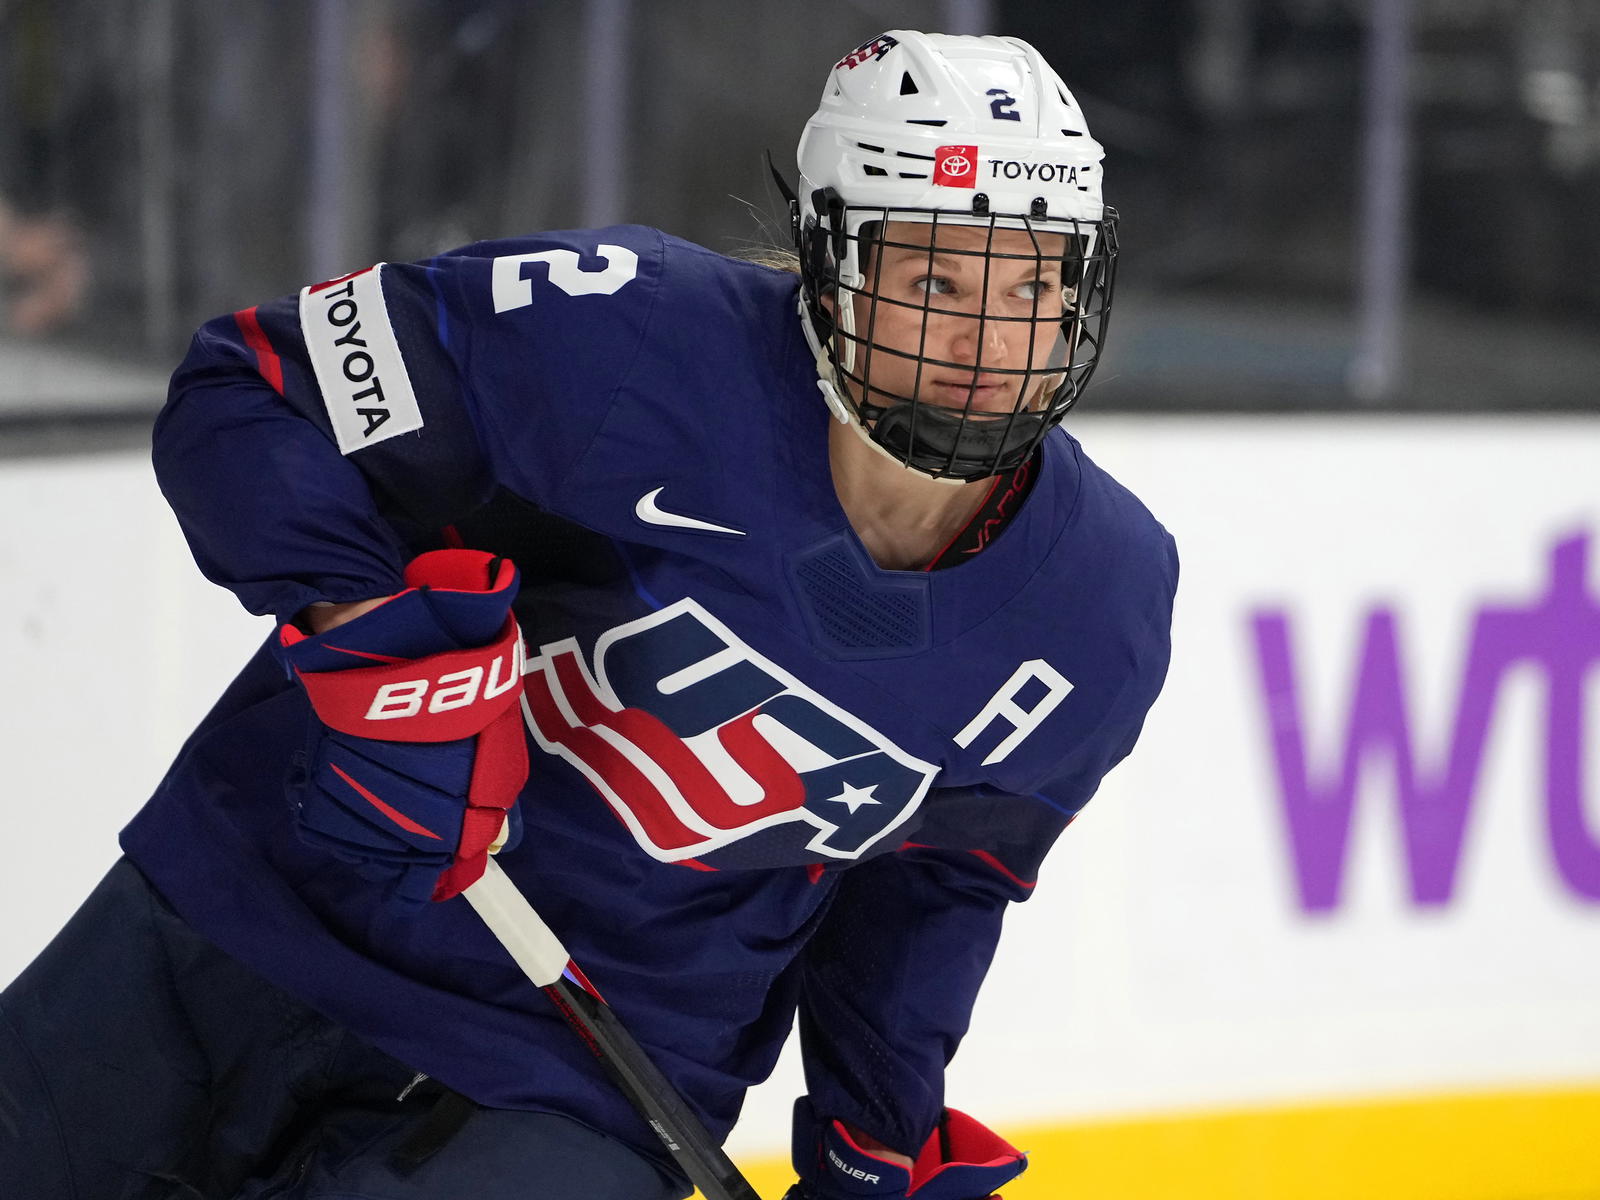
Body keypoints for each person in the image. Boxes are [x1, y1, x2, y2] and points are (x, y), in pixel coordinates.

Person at [0, 29, 1175, 1200]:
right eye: (935, 282)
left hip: (577, 1090)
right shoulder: (622, 334)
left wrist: (879, 1137)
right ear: (829, 265)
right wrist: (381, 651)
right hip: (246, 914)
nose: (991, 348)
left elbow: (934, 881)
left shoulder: (1098, 604)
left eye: (1036, 283)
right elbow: (254, 390)